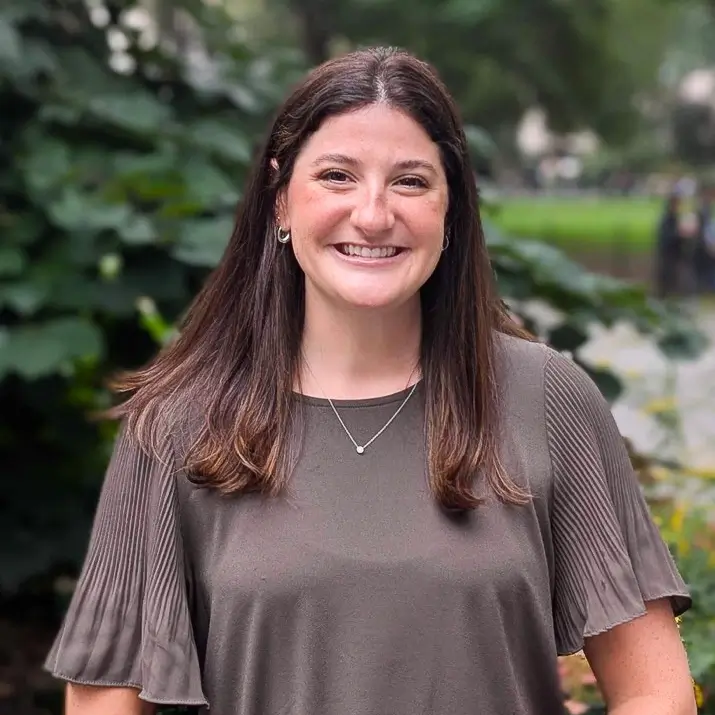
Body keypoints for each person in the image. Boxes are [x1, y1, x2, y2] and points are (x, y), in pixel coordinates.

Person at [45, 47, 696, 715]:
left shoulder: (546, 398)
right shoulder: (178, 423)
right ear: (280, 201)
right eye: (336, 176)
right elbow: (104, 701)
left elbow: (656, 691)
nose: (373, 214)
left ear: (451, 210)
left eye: (410, 181)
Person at [655, 192, 685, 298]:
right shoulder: (667, 218)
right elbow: (667, 236)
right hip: (668, 253)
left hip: (673, 252)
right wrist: (680, 233)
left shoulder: (674, 218)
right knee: (666, 276)